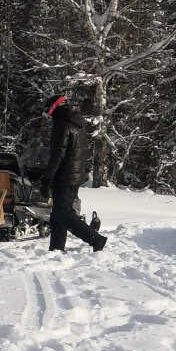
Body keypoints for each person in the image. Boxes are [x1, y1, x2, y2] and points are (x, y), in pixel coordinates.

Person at [43, 94, 107, 253]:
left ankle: (96, 239)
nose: (48, 116)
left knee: (64, 214)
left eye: (48, 112)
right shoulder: (76, 122)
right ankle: (56, 249)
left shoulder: (62, 124)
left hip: (65, 176)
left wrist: (47, 178)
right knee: (58, 214)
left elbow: (58, 155)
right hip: (74, 175)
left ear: (53, 109)